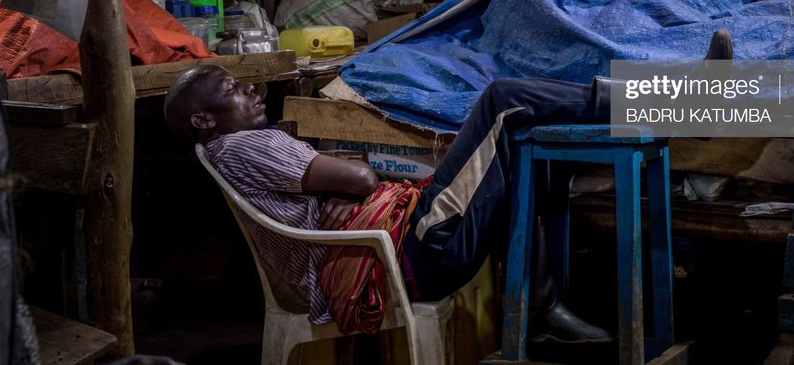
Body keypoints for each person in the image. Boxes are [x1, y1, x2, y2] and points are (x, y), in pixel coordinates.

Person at [164, 67, 624, 342]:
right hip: (409, 257)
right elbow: (363, 177)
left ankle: (542, 307)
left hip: (398, 253)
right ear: (203, 119)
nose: (251, 90)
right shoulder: (246, 144)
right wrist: (351, 188)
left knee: (518, 147)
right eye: (232, 90)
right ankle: (679, 101)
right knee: (504, 99)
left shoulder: (229, 151)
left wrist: (342, 192)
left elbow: (348, 182)